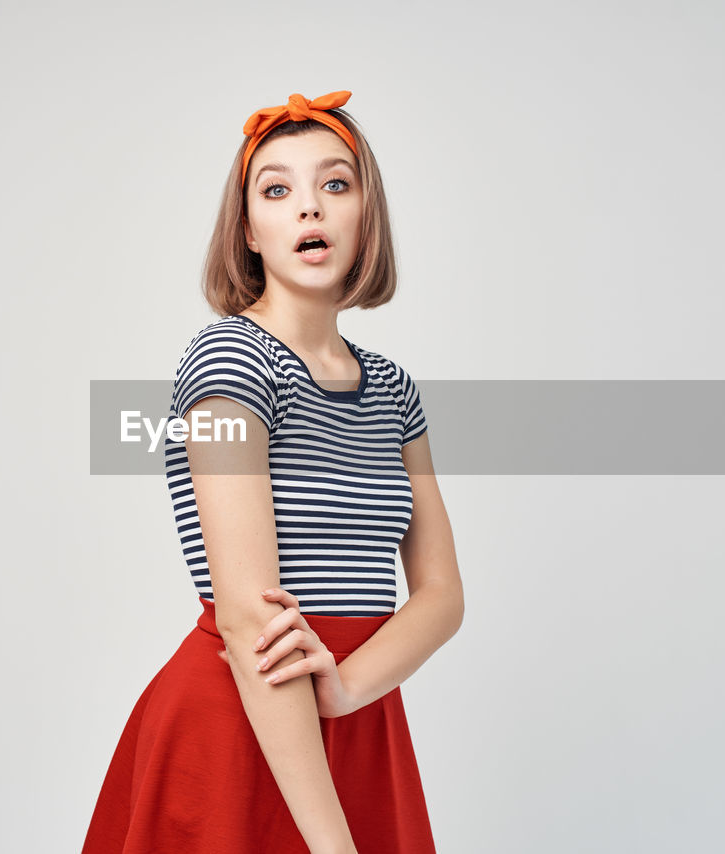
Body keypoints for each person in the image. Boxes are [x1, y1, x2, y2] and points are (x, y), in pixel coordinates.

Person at [82, 90, 464, 854]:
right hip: (241, 719)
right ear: (249, 230)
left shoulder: (391, 389)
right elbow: (252, 619)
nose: (309, 210)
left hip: (356, 718)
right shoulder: (231, 359)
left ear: (366, 214)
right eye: (277, 190)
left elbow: (443, 595)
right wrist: (333, 843)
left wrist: (350, 687)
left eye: (335, 184)